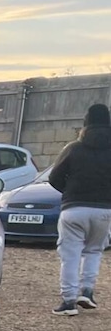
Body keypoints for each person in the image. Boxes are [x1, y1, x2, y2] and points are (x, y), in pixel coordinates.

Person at [48, 103, 111, 316]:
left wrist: (70, 193)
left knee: (71, 255)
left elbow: (54, 177)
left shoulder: (73, 148)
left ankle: (68, 302)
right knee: (94, 250)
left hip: (73, 210)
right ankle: (88, 291)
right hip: (105, 210)